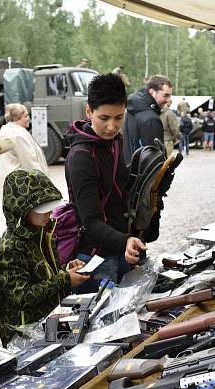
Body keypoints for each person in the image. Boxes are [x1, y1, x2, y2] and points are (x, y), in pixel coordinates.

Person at [65, 73, 150, 288]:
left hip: (120, 249)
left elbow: (119, 193)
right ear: (88, 111)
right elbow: (90, 222)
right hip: (93, 257)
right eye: (104, 118)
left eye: (119, 118)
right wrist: (125, 241)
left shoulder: (115, 141)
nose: (112, 127)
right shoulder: (81, 157)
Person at [0, 170, 89, 346]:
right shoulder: (11, 250)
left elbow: (44, 273)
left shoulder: (41, 232)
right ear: (21, 210)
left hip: (47, 324)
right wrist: (64, 279)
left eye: (50, 207)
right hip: (24, 336)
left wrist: (65, 270)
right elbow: (22, 297)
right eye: (41, 209)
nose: (49, 214)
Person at [122, 74, 173, 164]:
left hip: (129, 169)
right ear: (152, 92)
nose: (168, 100)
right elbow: (154, 159)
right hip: (143, 175)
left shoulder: (132, 109)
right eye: (165, 95)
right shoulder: (151, 119)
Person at [0, 103, 49, 179]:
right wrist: (44, 181)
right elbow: (29, 163)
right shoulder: (19, 135)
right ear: (16, 118)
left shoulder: (2, 132)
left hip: (4, 181)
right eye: (26, 116)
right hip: (20, 184)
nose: (29, 118)